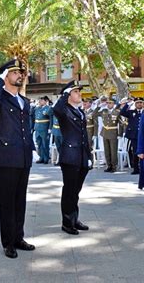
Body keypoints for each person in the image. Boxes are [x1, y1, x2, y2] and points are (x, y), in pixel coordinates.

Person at [0, 59, 36, 259]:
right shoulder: (0, 99)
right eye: (14, 72)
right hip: (7, 157)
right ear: (5, 76)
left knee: (20, 200)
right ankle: (8, 242)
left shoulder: (23, 101)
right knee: (6, 201)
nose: (20, 75)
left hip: (23, 156)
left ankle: (18, 237)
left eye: (20, 72)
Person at [53, 81, 92, 235]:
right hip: (70, 156)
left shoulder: (80, 111)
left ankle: (74, 218)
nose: (79, 94)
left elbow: (84, 136)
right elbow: (56, 108)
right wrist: (65, 94)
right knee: (69, 190)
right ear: (69, 95)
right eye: (76, 92)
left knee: (76, 190)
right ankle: (67, 222)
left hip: (81, 156)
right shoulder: (64, 110)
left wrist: (88, 156)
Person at [95, 98, 122, 172]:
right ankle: (108, 165)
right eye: (108, 103)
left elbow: (121, 123)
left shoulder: (117, 111)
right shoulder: (104, 111)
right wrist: (99, 106)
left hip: (113, 132)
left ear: (113, 104)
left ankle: (114, 166)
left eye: (110, 103)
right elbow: (94, 115)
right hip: (105, 132)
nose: (109, 104)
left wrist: (120, 134)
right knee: (106, 150)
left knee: (113, 150)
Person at [120, 97, 144, 175]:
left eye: (140, 102)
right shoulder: (131, 112)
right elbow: (122, 112)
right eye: (137, 103)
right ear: (135, 104)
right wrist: (128, 104)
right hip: (134, 135)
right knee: (135, 152)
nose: (139, 104)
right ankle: (136, 168)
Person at [34, 96, 53, 164]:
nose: (40, 102)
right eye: (39, 100)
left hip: (45, 128)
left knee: (45, 144)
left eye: (41, 100)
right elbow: (34, 117)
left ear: (46, 101)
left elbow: (51, 119)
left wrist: (50, 128)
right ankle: (41, 157)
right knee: (39, 144)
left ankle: (46, 158)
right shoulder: (37, 108)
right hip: (37, 128)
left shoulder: (49, 108)